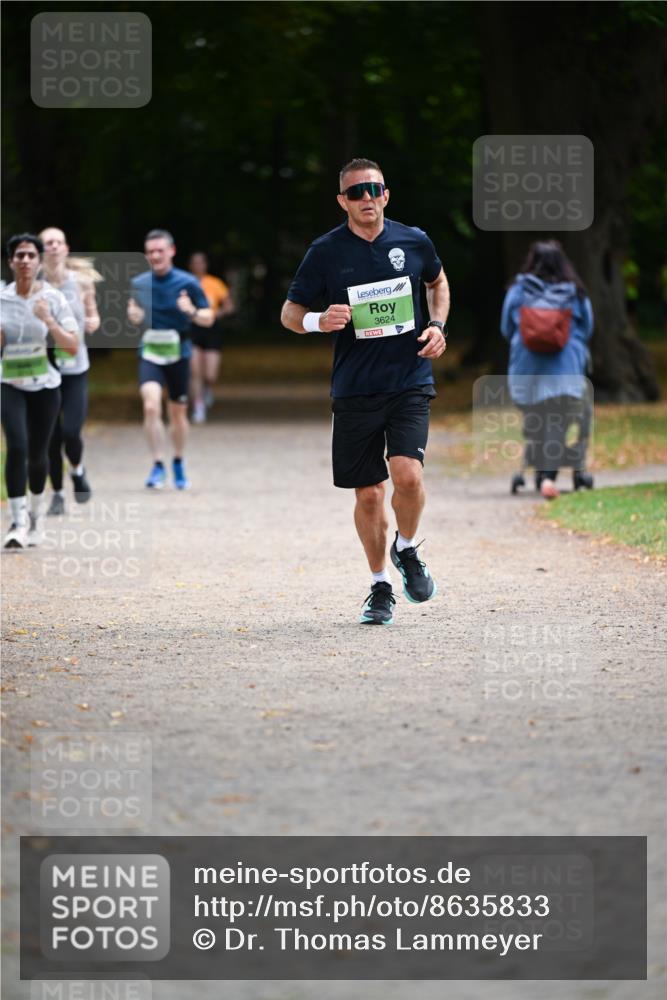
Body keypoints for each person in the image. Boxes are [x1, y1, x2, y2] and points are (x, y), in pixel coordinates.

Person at [281, 157, 449, 625]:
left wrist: (437, 325)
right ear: (343, 201)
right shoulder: (326, 251)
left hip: (409, 379)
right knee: (370, 495)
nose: (367, 199)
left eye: (373, 190)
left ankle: (407, 547)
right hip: (355, 388)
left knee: (408, 476)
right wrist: (319, 320)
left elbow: (438, 282)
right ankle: (380, 585)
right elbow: (289, 313)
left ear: (386, 195)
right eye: (356, 193)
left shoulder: (413, 241)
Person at [1, 234, 79, 548]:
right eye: (19, 255)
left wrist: (48, 319)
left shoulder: (53, 298)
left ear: (38, 261)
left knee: (38, 454)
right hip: (9, 383)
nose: (25, 260)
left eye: (31, 255)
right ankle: (17, 523)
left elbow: (72, 347)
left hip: (45, 385)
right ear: (11, 261)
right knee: (16, 445)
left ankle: (36, 519)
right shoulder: (2, 299)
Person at [500, 240, 594, 500]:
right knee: (557, 421)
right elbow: (587, 329)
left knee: (537, 421)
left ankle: (542, 474)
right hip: (564, 371)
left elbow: (507, 329)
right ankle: (548, 478)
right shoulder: (575, 293)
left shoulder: (518, 290)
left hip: (526, 370)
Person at [127, 229, 213, 489]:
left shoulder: (187, 282)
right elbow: (135, 316)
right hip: (150, 351)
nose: (155, 255)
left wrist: (192, 311)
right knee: (151, 405)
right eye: (150, 251)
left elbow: (208, 318)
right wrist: (133, 316)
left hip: (178, 353)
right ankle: (156, 464)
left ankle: (177, 460)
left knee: (177, 413)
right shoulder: (139, 283)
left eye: (160, 250)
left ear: (171, 251)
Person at [39, 227, 101, 514]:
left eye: (58, 242)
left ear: (66, 247)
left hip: (75, 368)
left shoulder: (82, 282)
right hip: (45, 368)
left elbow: (93, 314)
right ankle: (58, 495)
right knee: (51, 434)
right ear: (41, 250)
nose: (53, 246)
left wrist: (92, 322)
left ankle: (77, 469)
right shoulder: (33, 282)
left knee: (71, 431)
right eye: (47, 243)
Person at [188, 251, 234, 423]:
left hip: (212, 328)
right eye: (195, 262)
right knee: (195, 371)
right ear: (191, 265)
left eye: (201, 262)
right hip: (192, 328)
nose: (198, 265)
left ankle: (207, 388)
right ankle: (198, 407)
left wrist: (216, 314)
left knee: (210, 374)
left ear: (205, 265)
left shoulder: (215, 283)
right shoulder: (185, 282)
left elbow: (229, 306)